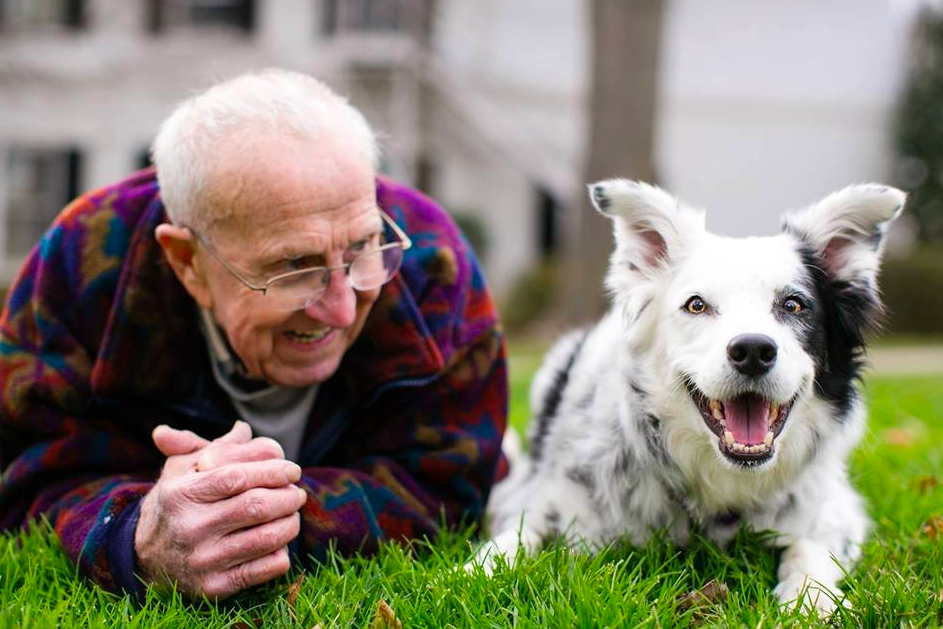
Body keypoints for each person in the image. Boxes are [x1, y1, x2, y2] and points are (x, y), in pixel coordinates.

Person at [0, 69, 508, 600]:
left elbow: (448, 486)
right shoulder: (82, 261)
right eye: (295, 266)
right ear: (188, 262)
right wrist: (137, 532)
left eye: (361, 249)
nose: (339, 309)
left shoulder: (431, 259)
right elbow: (28, 479)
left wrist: (249, 511)